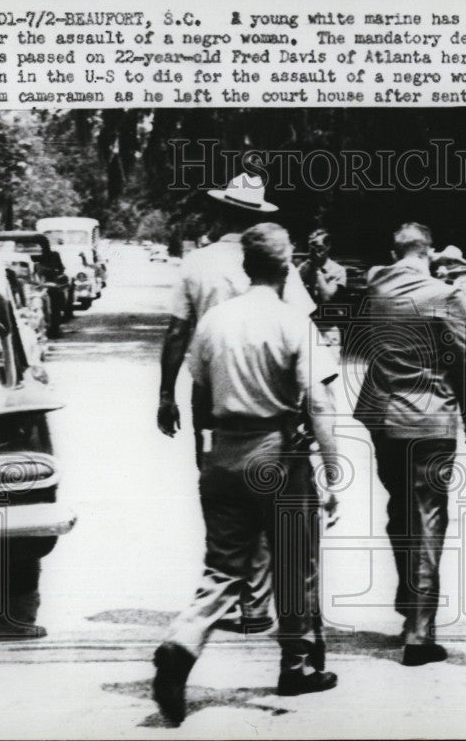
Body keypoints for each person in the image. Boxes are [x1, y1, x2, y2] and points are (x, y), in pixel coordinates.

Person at [153, 224, 341, 724]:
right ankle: (296, 664)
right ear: (285, 268)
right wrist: (332, 466)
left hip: (224, 453)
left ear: (244, 266)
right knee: (295, 560)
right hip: (277, 452)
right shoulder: (291, 321)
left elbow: (200, 381)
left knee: (222, 567)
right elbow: (318, 402)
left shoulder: (214, 322)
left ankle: (182, 641)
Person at [157, 173, 315, 635]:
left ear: (223, 213)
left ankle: (228, 593)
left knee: (224, 491)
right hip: (269, 386)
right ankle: (255, 603)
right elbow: (303, 321)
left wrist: (166, 394)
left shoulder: (196, 263)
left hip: (210, 390)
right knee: (267, 495)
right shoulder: (270, 260)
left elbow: (176, 332)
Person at [354, 222, 466, 666]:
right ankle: (419, 632)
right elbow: (465, 360)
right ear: (429, 253)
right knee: (429, 516)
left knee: (400, 509)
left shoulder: (375, 283)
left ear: (395, 251)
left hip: (382, 418)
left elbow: (379, 273)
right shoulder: (443, 296)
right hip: (430, 419)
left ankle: (410, 599)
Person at [298, 228, 348, 350]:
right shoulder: (302, 269)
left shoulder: (338, 271)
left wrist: (316, 270)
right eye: (311, 247)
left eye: (318, 247)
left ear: (328, 246)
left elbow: (327, 298)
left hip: (328, 329)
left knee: (329, 368)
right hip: (306, 328)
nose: (314, 251)